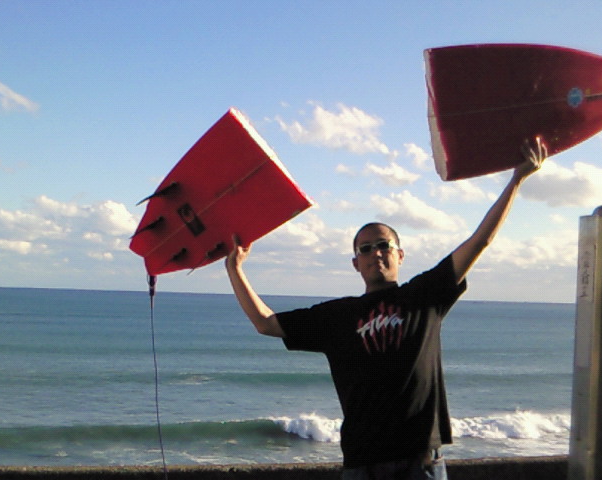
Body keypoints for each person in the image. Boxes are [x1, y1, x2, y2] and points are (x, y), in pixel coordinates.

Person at [225, 138, 548, 480]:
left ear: (400, 255)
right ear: (355, 263)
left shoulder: (424, 296)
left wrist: (516, 180)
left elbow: (479, 241)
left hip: (420, 462)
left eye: (384, 245)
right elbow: (266, 323)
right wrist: (235, 269)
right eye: (365, 249)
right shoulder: (337, 316)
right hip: (363, 463)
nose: (375, 253)